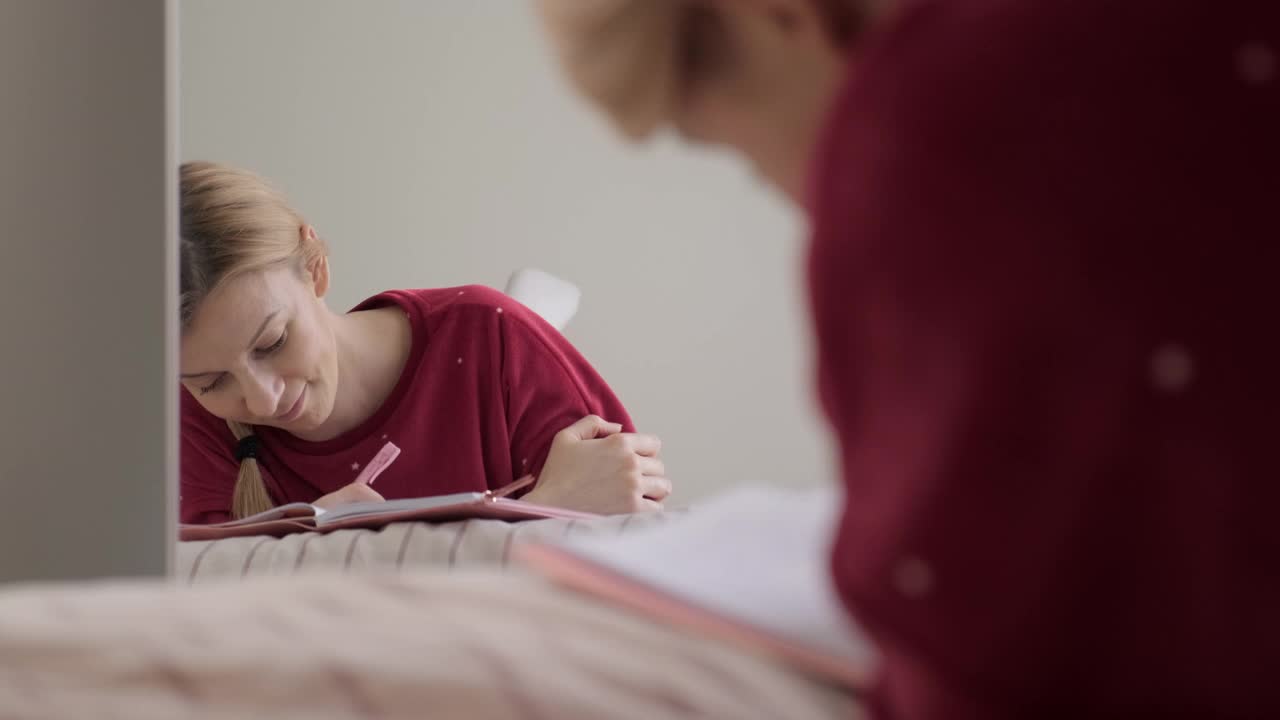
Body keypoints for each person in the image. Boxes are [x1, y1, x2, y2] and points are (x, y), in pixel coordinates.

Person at [538, 0, 1280, 716]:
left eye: (739, 158)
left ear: (779, 13)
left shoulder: (929, 122)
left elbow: (980, 644)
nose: (788, 195)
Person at [179, 161, 670, 522]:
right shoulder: (202, 423)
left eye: (273, 343)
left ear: (315, 267)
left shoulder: (491, 338)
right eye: (213, 381)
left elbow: (637, 537)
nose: (260, 398)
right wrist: (542, 514)